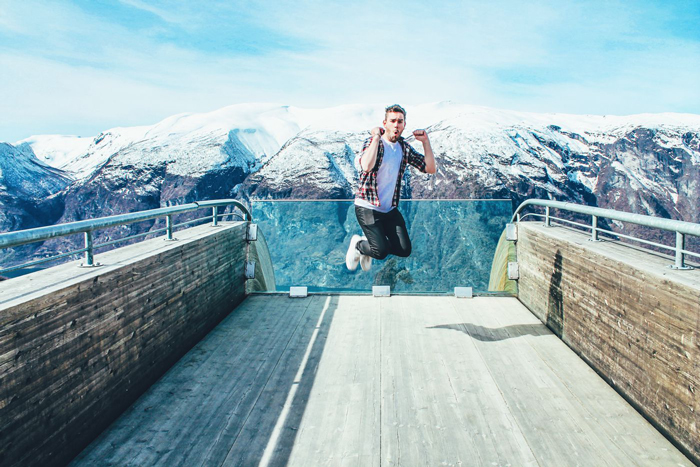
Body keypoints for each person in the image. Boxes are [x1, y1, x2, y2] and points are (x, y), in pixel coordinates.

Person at [346, 104, 436, 271]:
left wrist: (425, 142)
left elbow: (430, 168)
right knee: (380, 252)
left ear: (404, 125)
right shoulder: (375, 143)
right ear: (385, 123)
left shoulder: (404, 148)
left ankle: (371, 245)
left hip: (389, 210)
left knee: (404, 250)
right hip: (367, 207)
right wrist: (375, 137)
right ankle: (359, 245)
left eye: (400, 121)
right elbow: (366, 165)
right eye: (393, 121)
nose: (396, 125)